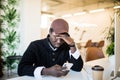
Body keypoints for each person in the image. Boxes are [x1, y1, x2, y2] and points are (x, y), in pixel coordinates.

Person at [18, 18, 83, 79]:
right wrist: (46, 71)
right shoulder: (35, 45)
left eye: (62, 39)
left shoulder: (66, 46)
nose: (59, 42)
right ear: (50, 32)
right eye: (56, 37)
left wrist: (72, 45)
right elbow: (21, 69)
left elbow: (77, 68)